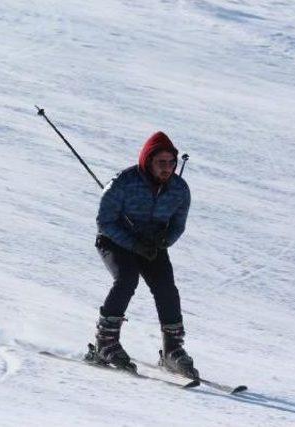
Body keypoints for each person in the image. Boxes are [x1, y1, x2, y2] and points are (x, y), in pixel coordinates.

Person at [87, 131, 195, 378]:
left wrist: (163, 240)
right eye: (161, 163)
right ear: (148, 161)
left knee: (166, 287)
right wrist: (133, 245)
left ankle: (173, 349)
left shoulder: (179, 189)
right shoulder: (124, 183)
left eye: (171, 163)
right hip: (115, 242)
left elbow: (178, 225)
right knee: (126, 279)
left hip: (152, 245)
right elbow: (105, 221)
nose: (167, 168)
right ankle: (106, 343)